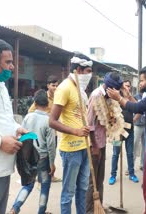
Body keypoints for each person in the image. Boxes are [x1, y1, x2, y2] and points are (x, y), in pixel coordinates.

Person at [107, 66, 146, 214]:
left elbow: (137, 107)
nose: (139, 83)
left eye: (141, 81)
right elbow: (142, 108)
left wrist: (120, 98)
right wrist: (128, 96)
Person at [49, 53, 93, 214]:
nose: (90, 75)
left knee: (82, 188)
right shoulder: (64, 88)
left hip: (84, 147)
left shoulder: (81, 90)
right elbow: (52, 121)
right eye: (88, 71)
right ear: (79, 70)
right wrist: (76, 131)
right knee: (68, 192)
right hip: (70, 149)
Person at [10, 89, 56, 214]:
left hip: (28, 157)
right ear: (47, 105)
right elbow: (51, 144)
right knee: (45, 186)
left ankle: (15, 208)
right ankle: (41, 211)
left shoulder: (28, 117)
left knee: (28, 184)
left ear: (35, 104)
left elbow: (22, 135)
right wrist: (52, 163)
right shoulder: (49, 120)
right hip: (43, 158)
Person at [85, 72, 123, 213]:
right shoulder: (96, 96)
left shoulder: (109, 98)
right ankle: (89, 210)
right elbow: (89, 124)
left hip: (102, 143)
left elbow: (110, 119)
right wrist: (94, 146)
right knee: (92, 181)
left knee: (100, 179)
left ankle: (98, 207)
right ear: (108, 87)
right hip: (93, 145)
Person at [0, 38, 27, 214]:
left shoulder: (1, 86)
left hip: (3, 169)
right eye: (7, 62)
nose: (12, 67)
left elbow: (4, 119)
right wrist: (0, 142)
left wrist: (17, 128)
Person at [28, 75, 61, 183]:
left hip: (53, 132)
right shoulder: (42, 98)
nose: (55, 88)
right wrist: (45, 116)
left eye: (57, 85)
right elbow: (31, 111)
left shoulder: (58, 97)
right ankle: (40, 175)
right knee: (41, 154)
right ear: (48, 86)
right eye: (53, 85)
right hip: (42, 132)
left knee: (52, 152)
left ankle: (51, 175)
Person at [109, 80, 139, 185]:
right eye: (125, 86)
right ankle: (113, 175)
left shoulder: (130, 99)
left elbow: (139, 108)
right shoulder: (116, 97)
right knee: (115, 154)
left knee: (130, 153)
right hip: (117, 133)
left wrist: (134, 120)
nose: (127, 88)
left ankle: (132, 173)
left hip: (129, 132)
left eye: (129, 86)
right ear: (121, 87)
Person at [133, 91, 146, 170]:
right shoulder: (135, 97)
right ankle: (131, 166)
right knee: (134, 145)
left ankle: (143, 164)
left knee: (145, 147)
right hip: (137, 125)